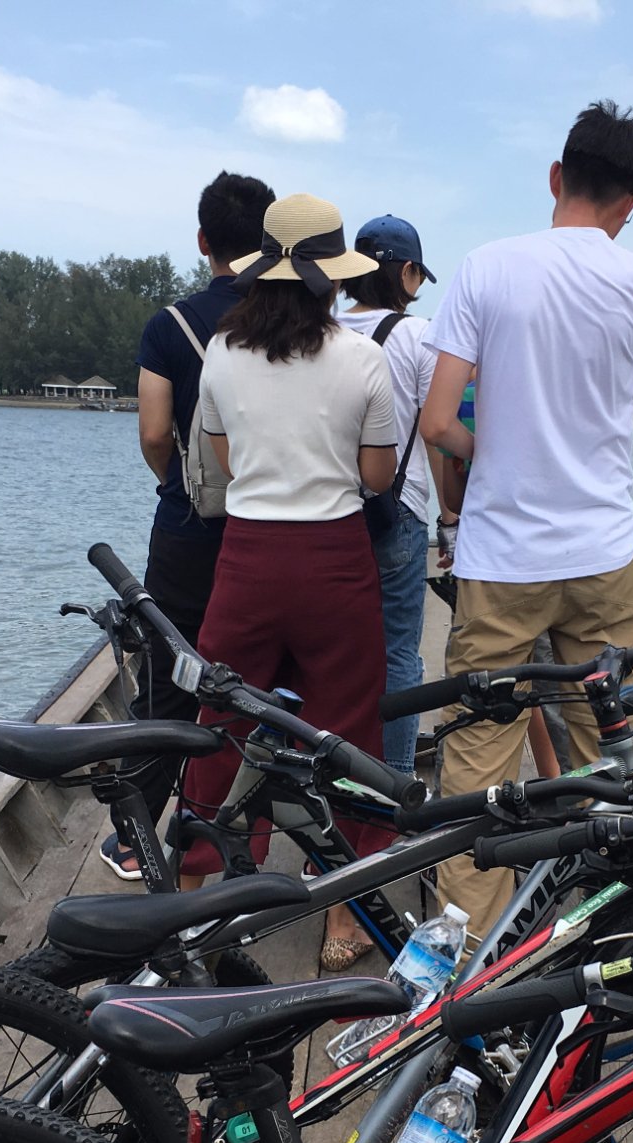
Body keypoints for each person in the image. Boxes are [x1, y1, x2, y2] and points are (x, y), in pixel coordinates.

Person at [417, 100, 633, 944]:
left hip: (503, 560)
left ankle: (456, 959)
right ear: (630, 202)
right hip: (603, 556)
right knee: (612, 743)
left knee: (480, 758)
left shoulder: (486, 267)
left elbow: (438, 421)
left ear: (556, 178)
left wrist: (492, 454)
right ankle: (629, 921)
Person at [178, 193, 401, 970]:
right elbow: (378, 478)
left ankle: (197, 881)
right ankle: (344, 914)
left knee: (221, 719)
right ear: (329, 279)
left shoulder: (222, 351)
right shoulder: (363, 359)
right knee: (347, 732)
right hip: (335, 561)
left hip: (247, 558)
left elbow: (224, 459)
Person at [107, 170, 276, 880]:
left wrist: (175, 483)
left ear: (203, 240)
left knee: (167, 685)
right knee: (260, 684)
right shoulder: (286, 317)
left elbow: (152, 430)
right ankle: (239, 829)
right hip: (267, 528)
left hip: (186, 528)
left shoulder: (168, 325)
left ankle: (135, 836)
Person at [334, 215, 466, 776]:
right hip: (397, 515)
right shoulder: (417, 336)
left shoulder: (319, 330)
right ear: (407, 273)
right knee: (397, 658)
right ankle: (392, 790)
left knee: (334, 657)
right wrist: (452, 522)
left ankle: (334, 786)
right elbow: (438, 440)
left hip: (328, 517)